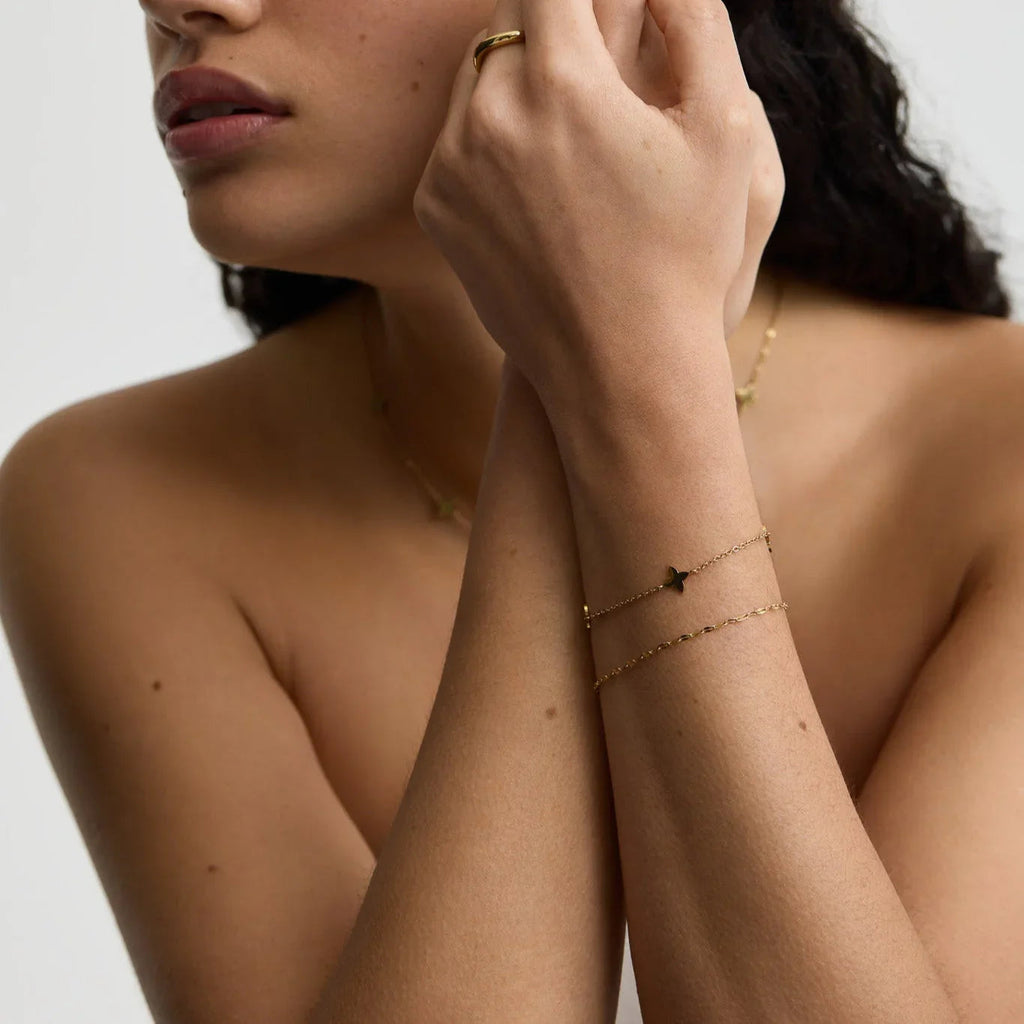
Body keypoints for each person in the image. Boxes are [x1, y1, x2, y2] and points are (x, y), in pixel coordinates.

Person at [1, 0, 1021, 1021]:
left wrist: (605, 357)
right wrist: (601, 359)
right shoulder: (119, 499)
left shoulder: (996, 453)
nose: (185, 3)